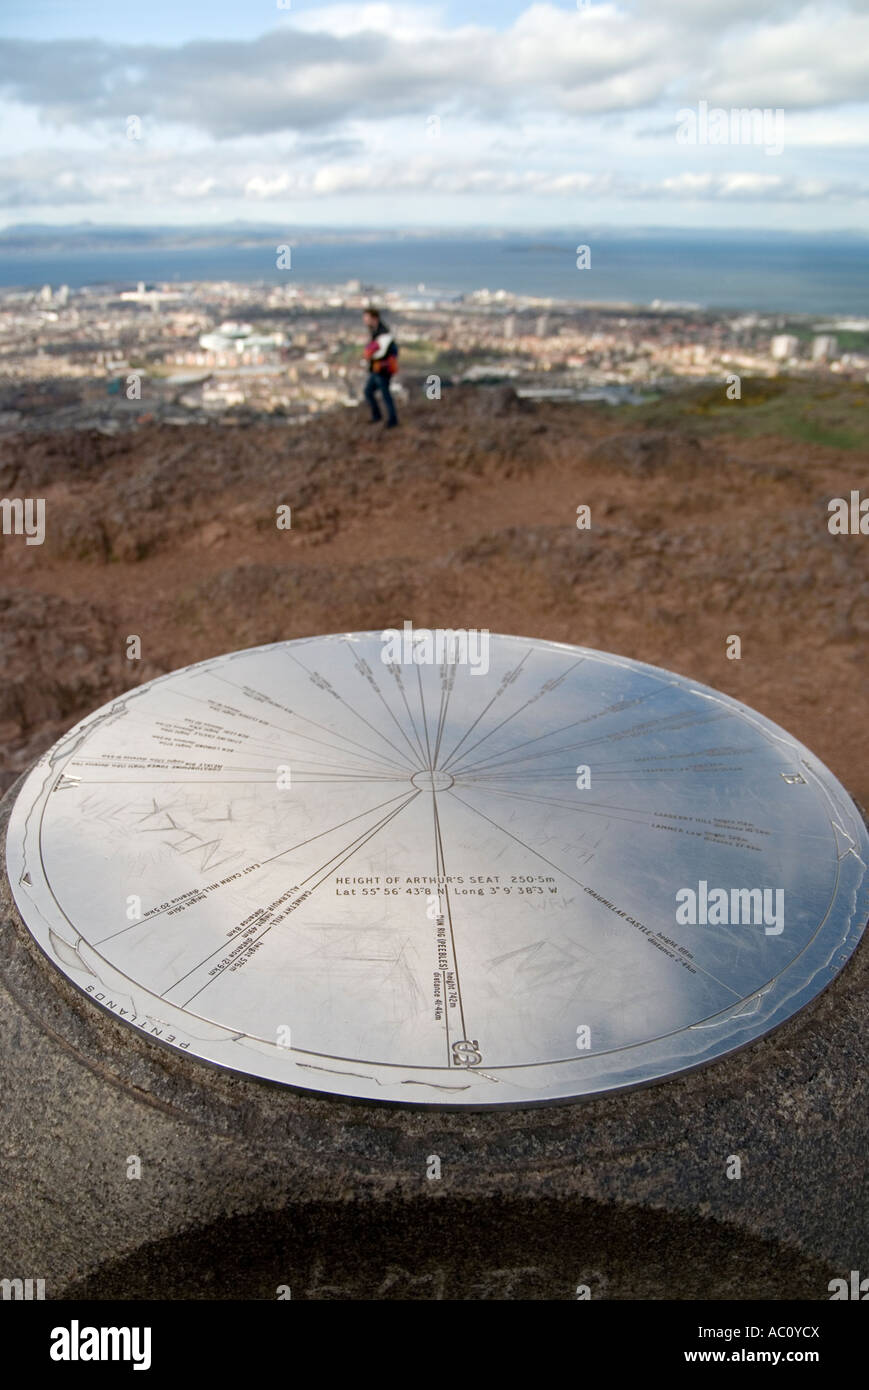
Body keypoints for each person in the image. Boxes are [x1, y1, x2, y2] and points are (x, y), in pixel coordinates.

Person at [362, 306, 399, 428]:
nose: (365, 320)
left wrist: (369, 353)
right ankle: (377, 416)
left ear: (374, 318)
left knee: (385, 394)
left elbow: (382, 352)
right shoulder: (375, 330)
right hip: (376, 369)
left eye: (367, 317)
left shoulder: (383, 333)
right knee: (369, 391)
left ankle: (392, 420)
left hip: (382, 369)